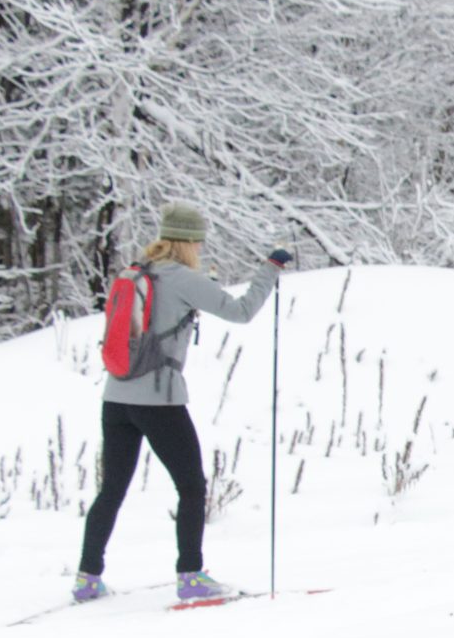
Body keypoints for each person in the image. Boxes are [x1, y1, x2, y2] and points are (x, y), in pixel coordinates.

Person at [75, 201, 292, 603]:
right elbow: (241, 311)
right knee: (191, 486)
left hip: (116, 397)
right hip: (159, 400)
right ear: (192, 242)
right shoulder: (180, 278)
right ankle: (190, 574)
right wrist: (271, 269)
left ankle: (88, 578)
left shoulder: (135, 272)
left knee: (112, 490)